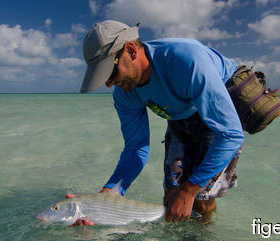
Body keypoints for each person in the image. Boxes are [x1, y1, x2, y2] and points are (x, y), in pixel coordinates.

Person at [75, 20, 244, 226]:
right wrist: (107, 196)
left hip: (218, 102)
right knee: (172, 198)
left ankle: (204, 232)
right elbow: (136, 148)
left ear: (130, 50)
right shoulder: (124, 93)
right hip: (180, 113)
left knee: (200, 198)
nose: (109, 84)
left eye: (110, 73)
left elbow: (231, 134)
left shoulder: (187, 61)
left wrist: (190, 190)